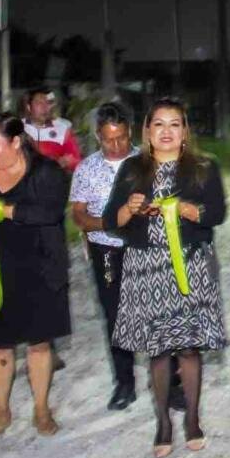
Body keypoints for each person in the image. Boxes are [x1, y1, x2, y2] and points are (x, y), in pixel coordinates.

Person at [104, 98, 227, 458]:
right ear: (148, 130)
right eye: (159, 124)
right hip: (145, 268)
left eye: (175, 124)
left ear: (185, 130)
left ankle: (192, 418)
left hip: (189, 265)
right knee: (157, 351)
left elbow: (216, 213)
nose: (167, 131)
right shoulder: (131, 169)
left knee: (189, 348)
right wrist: (129, 208)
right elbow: (112, 220)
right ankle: (162, 422)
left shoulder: (204, 167)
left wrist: (191, 210)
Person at [0, 112, 71, 436]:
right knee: (0, 345)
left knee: (39, 344)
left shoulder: (46, 172)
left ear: (16, 141)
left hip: (41, 269)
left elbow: (52, 211)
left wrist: (7, 210)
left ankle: (42, 409)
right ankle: (2, 409)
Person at [70, 102, 141, 411]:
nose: (116, 146)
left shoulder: (147, 161)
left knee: (157, 312)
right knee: (116, 316)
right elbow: (79, 216)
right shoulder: (86, 169)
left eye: (122, 138)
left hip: (146, 248)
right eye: (109, 139)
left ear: (130, 133)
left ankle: (172, 382)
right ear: (98, 136)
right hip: (107, 251)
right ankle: (124, 383)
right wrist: (110, 223)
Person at [24, 87, 82, 172]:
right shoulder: (18, 127)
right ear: (29, 107)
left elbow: (77, 161)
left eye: (47, 103)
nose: (44, 108)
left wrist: (68, 162)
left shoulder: (62, 129)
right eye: (39, 103)